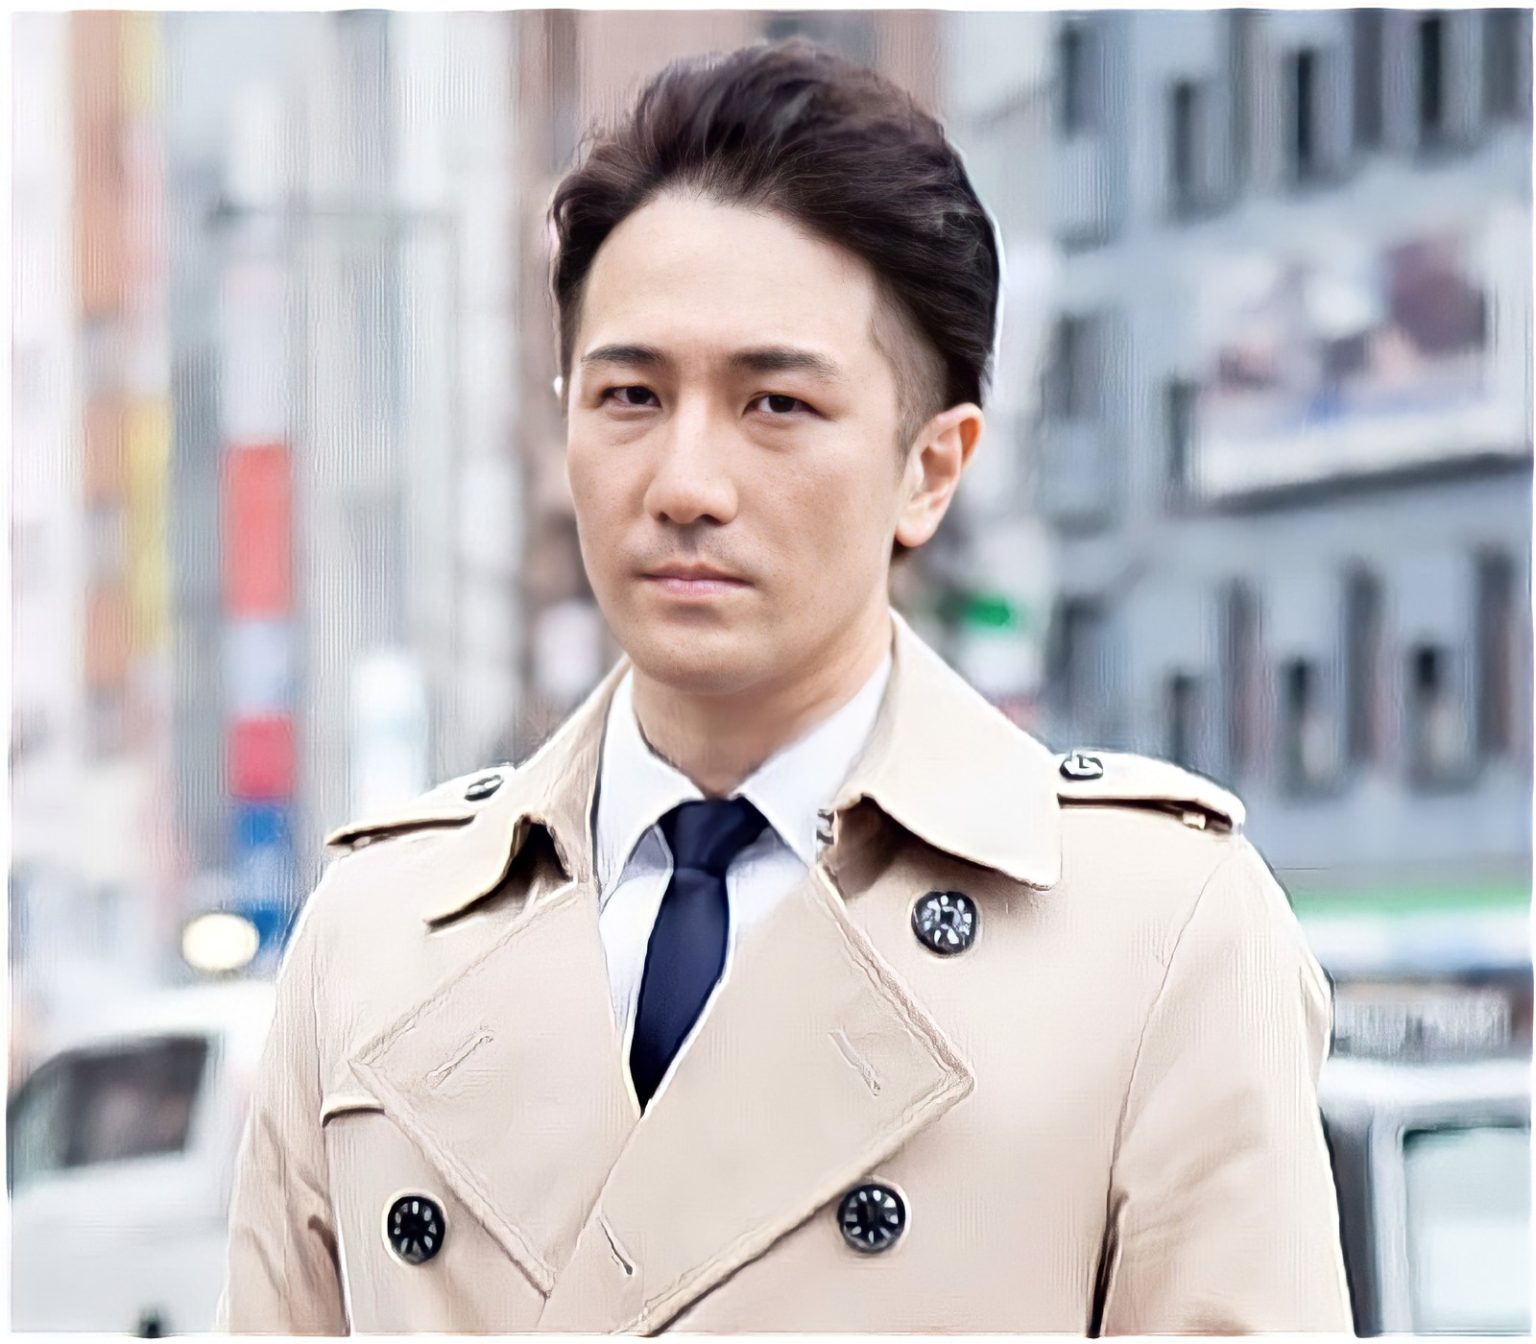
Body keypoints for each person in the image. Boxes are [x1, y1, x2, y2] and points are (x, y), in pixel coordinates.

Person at [216, 37, 1352, 1335]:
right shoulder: (378, 935)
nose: (685, 484)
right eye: (630, 395)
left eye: (775, 406)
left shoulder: (1155, 933)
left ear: (930, 467)